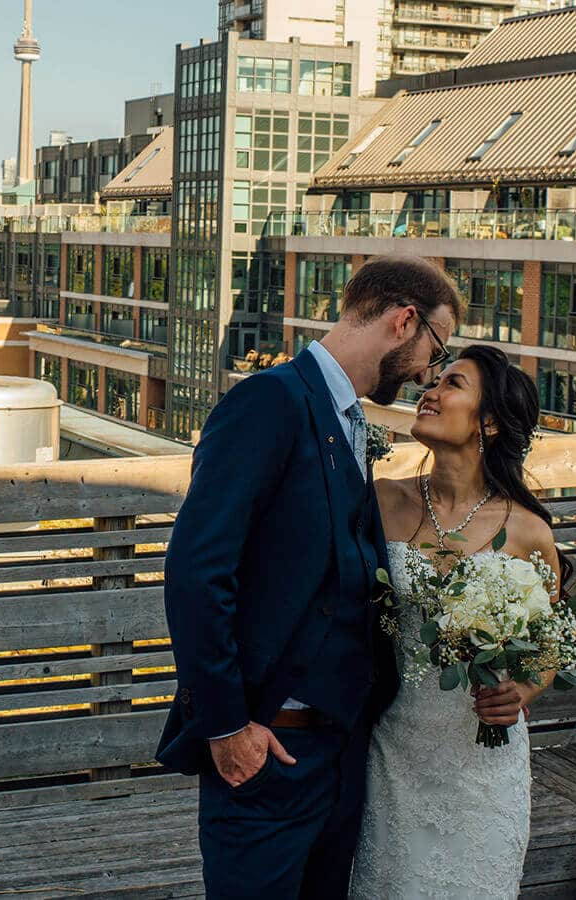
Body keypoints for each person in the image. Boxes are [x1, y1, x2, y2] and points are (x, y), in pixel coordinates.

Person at [157, 256, 460, 898]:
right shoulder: (269, 400)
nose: (427, 375)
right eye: (435, 350)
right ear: (405, 322)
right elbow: (196, 569)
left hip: (341, 757)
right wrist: (227, 726)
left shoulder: (349, 417)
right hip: (267, 754)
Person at [350, 344, 566, 898]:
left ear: (488, 421)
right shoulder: (379, 502)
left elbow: (547, 651)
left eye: (453, 384)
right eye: (434, 381)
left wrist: (519, 692)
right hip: (395, 746)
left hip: (481, 760)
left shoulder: (528, 531)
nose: (431, 391)